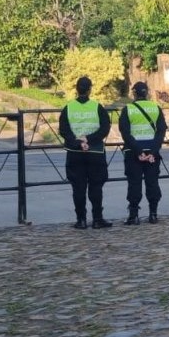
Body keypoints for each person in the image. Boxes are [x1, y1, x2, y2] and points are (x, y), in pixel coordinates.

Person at [59, 76, 112, 229]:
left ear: (76, 89)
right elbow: (105, 128)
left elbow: (64, 130)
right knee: (96, 186)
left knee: (78, 187)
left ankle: (81, 220)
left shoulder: (68, 108)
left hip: (75, 152)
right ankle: (97, 219)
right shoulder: (97, 107)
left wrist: (78, 142)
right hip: (94, 151)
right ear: (90, 90)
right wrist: (89, 140)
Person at [119, 81, 167, 225]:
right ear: (147, 93)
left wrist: (139, 152)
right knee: (152, 182)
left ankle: (134, 215)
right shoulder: (156, 108)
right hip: (152, 153)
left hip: (133, 152)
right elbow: (161, 132)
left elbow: (125, 133)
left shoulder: (127, 109)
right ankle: (153, 214)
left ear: (134, 93)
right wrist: (152, 152)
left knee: (134, 183)